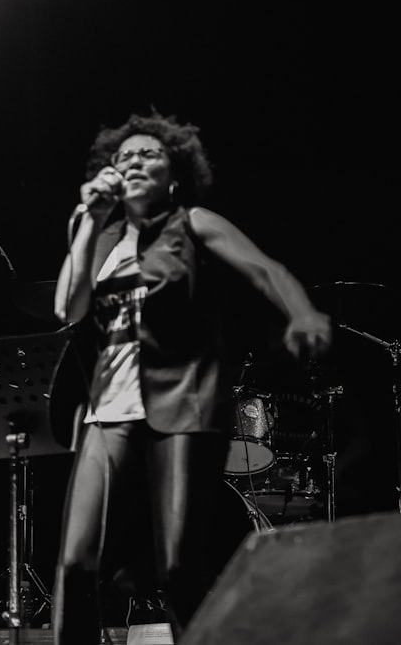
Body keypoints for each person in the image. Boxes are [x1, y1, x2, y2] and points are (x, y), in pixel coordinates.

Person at [50, 111, 332, 643]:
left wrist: (301, 313)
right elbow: (68, 308)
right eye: (124, 155)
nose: (133, 161)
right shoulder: (99, 234)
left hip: (182, 399)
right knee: (75, 564)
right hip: (107, 414)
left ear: (173, 173)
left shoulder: (192, 221)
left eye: (148, 154)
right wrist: (89, 218)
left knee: (179, 566)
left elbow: (264, 269)